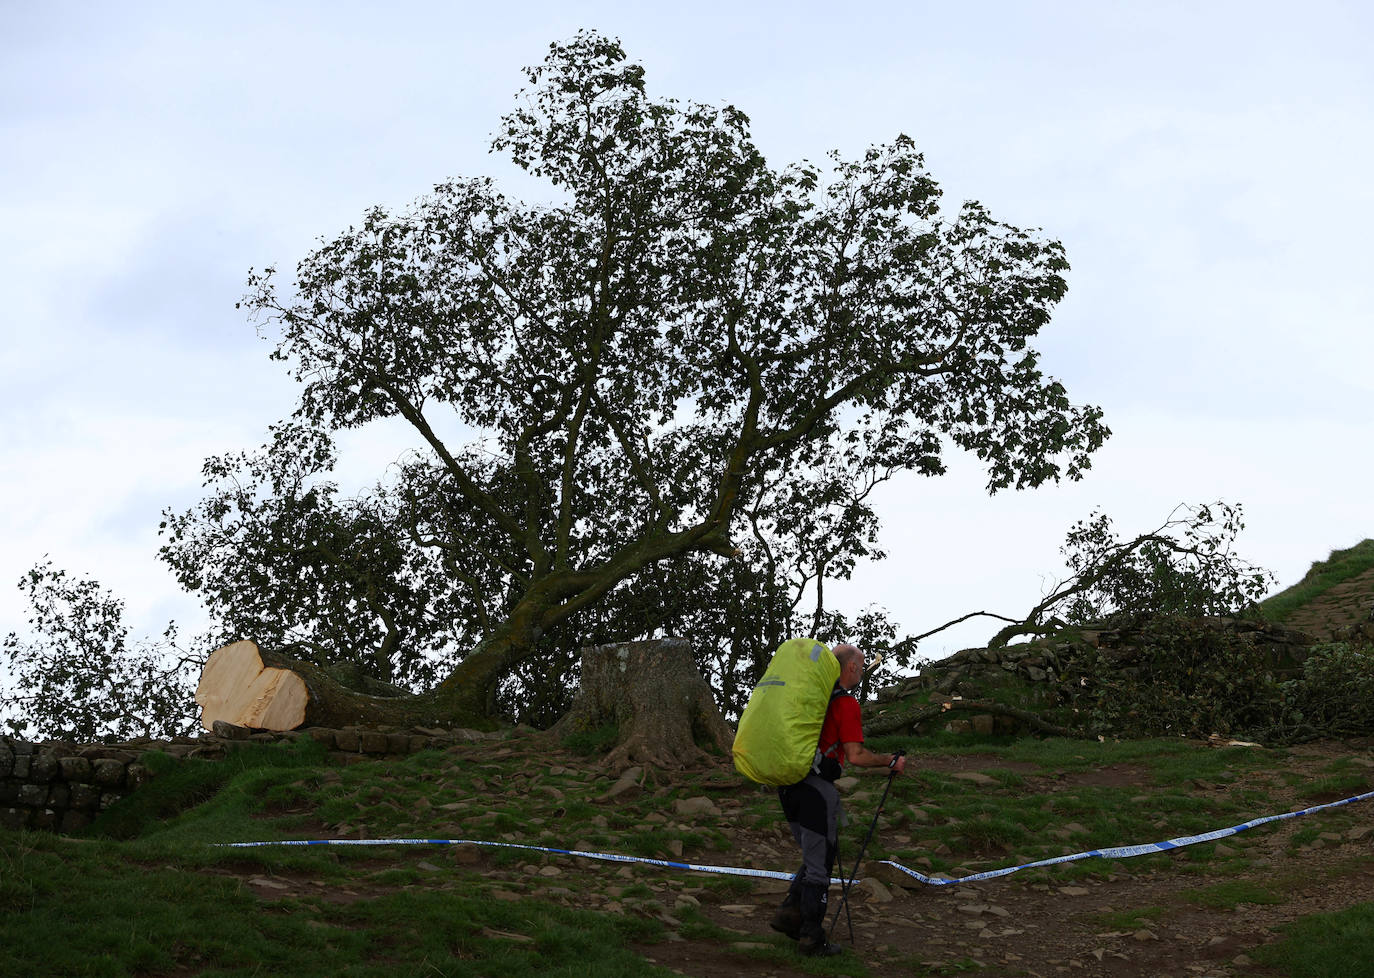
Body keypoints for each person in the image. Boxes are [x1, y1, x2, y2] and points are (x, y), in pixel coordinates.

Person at [770, 642, 906, 956]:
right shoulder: (845, 704)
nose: (861, 670)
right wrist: (889, 761)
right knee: (820, 865)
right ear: (852, 668)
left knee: (814, 856)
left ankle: (789, 915)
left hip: (788, 784)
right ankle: (812, 938)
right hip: (816, 791)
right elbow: (855, 756)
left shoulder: (811, 698)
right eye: (859, 665)